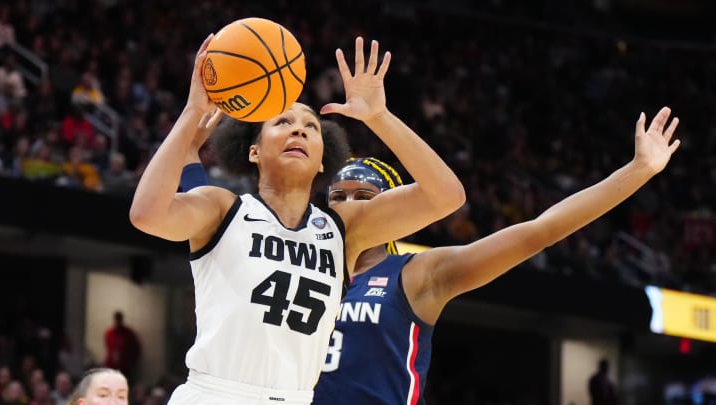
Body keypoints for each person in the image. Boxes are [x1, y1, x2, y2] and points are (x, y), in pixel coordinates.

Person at [129, 32, 465, 405]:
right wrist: (192, 112)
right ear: (254, 151)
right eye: (282, 122)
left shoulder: (342, 227)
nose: (299, 129)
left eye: (311, 126)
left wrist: (380, 117)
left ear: (323, 159)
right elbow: (147, 214)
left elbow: (446, 196)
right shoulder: (223, 209)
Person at [312, 107, 677, 404]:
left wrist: (638, 171)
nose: (349, 206)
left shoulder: (416, 275)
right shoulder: (301, 268)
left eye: (364, 196)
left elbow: (541, 231)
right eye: (338, 197)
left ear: (396, 210)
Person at [103, 311, 141, 384]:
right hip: (112, 366)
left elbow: (136, 348)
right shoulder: (110, 333)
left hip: (125, 367)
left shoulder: (129, 333)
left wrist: (131, 362)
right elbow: (109, 348)